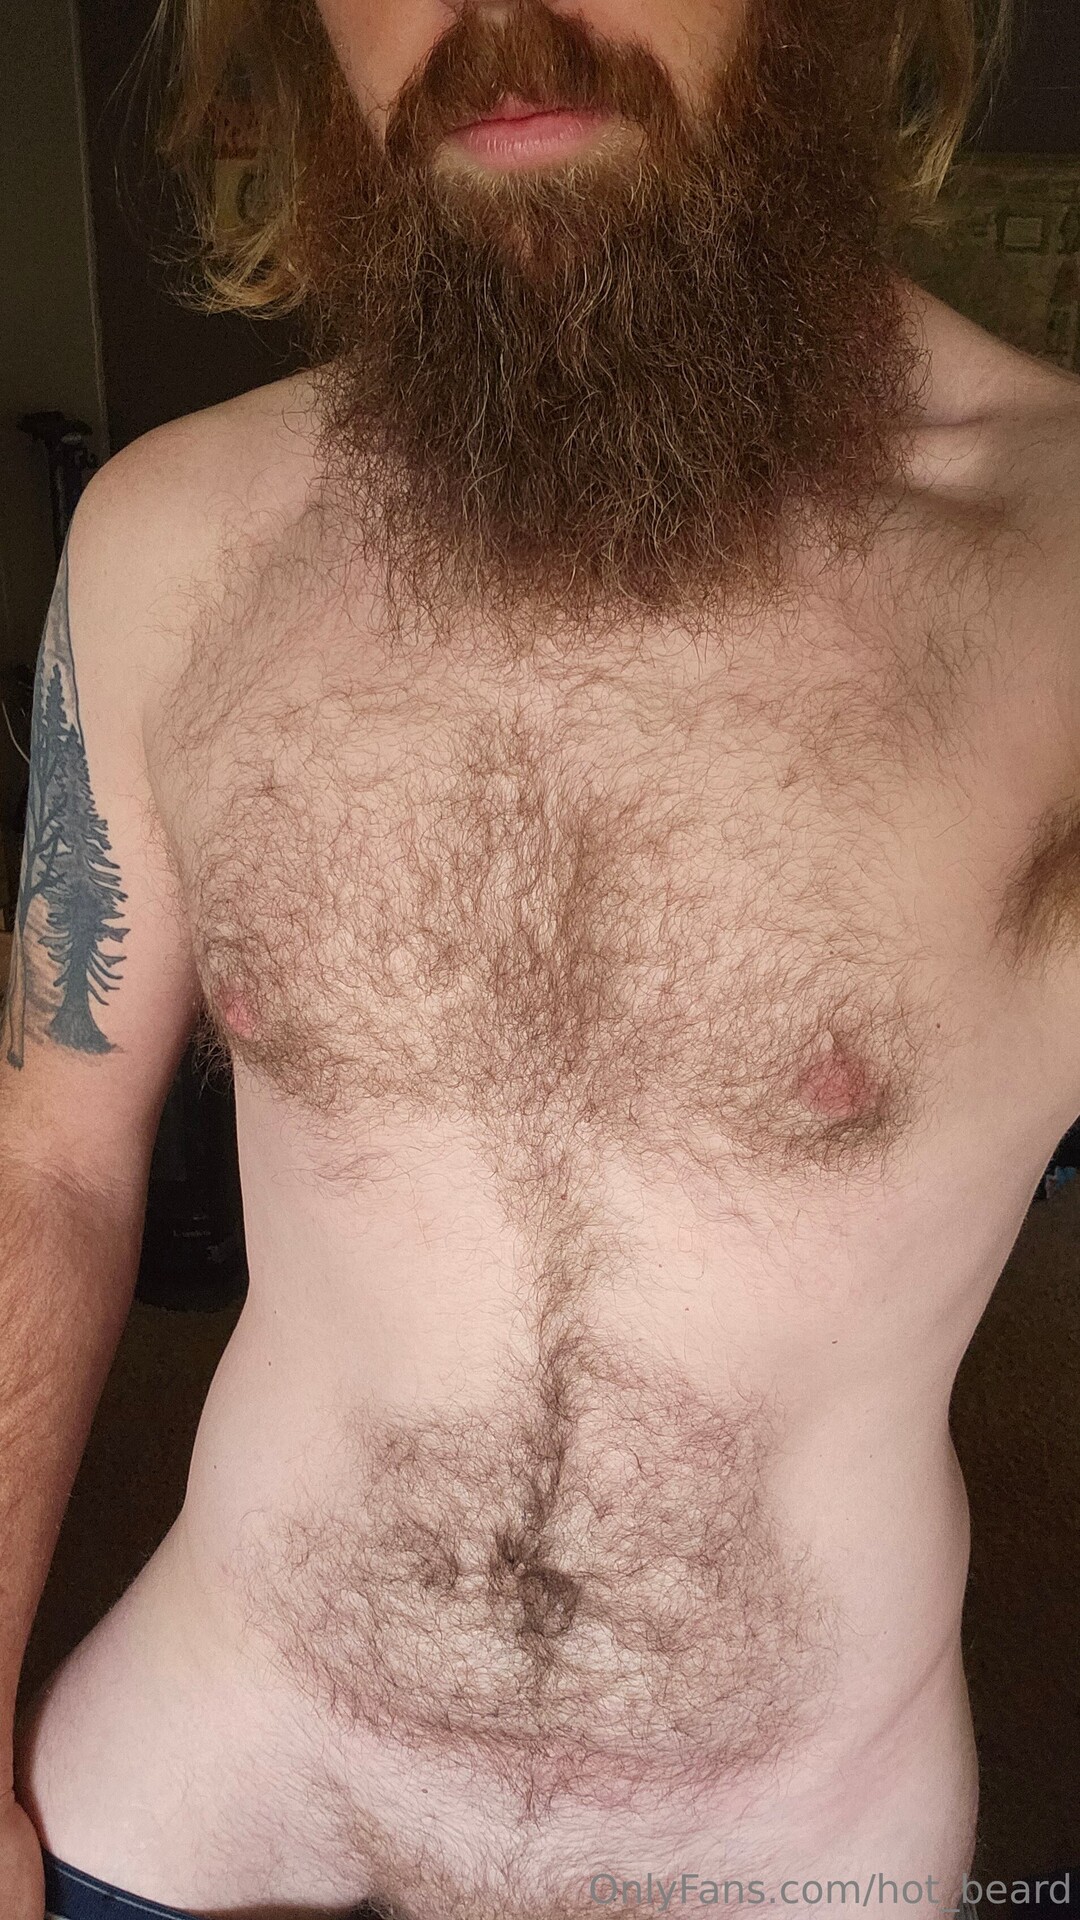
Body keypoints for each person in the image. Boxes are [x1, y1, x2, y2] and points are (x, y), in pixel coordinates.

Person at [2, 0, 1078, 1907]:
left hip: (787, 1860)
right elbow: (49, 1166)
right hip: (191, 1805)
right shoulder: (172, 541)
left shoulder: (1053, 565)